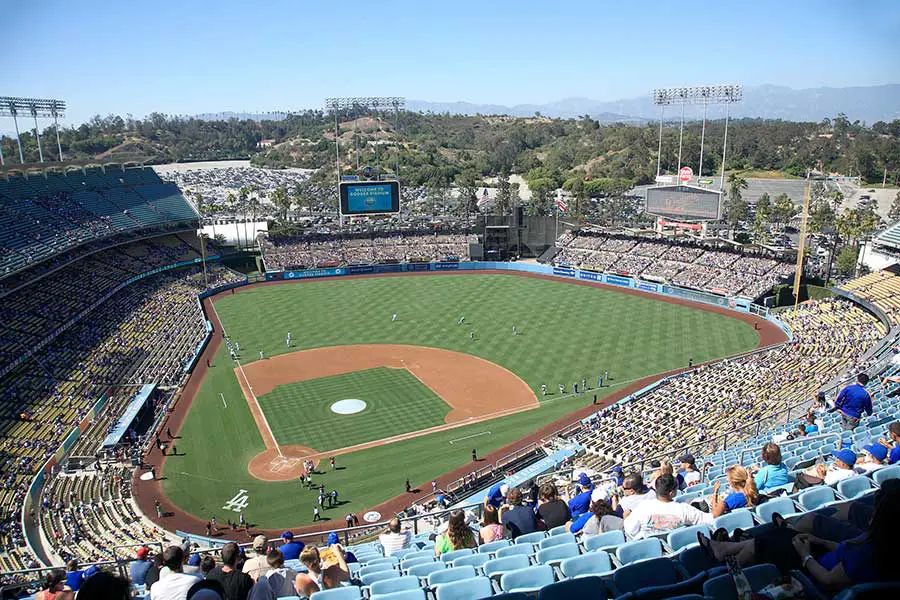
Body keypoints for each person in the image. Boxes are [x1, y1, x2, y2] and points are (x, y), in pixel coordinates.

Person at [698, 480, 900, 592]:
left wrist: (805, 556)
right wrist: (821, 541)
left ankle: (722, 577)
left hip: (812, 577)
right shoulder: (885, 544)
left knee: (769, 542)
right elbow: (844, 554)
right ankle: (726, 552)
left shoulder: (868, 552)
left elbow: (828, 579)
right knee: (782, 535)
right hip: (822, 556)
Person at [623, 474, 713, 540]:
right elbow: (710, 520)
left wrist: (626, 517)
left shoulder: (642, 508)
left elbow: (630, 531)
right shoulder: (684, 509)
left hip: (651, 553)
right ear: (672, 493)